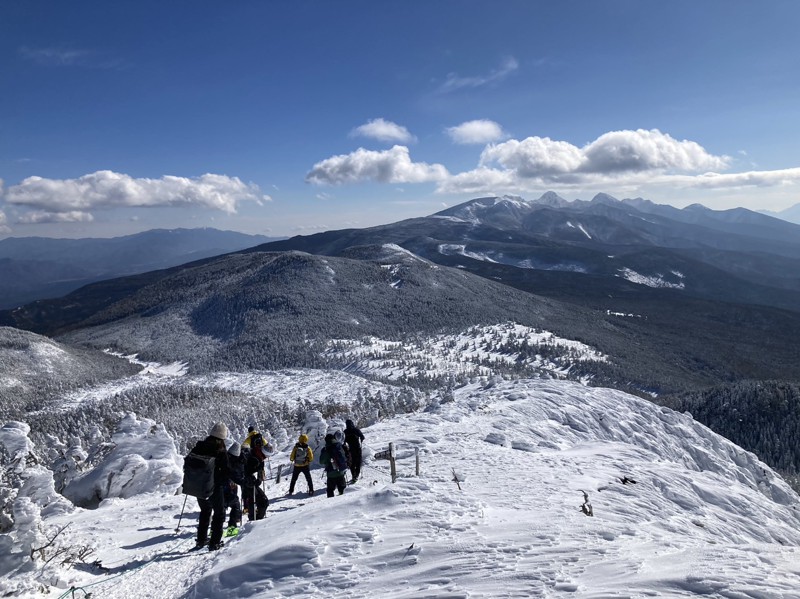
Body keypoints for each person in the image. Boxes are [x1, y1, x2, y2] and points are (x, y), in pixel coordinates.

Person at [191, 422, 230, 551]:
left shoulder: (199, 446)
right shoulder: (220, 450)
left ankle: (201, 540)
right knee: (219, 514)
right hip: (214, 487)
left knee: (205, 511)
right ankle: (215, 543)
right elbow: (226, 471)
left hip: (198, 486)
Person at [241, 445, 269, 520]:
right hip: (250, 482)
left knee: (256, 500)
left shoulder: (256, 454)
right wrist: (258, 480)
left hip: (249, 482)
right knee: (261, 500)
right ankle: (254, 519)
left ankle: (253, 518)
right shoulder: (256, 458)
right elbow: (249, 471)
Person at [224, 441, 245, 534]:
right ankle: (231, 530)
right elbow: (237, 476)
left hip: (219, 488)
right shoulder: (235, 461)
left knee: (220, 510)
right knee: (235, 505)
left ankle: (214, 532)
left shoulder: (224, 457)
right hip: (229, 487)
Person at [320, 432, 347, 498]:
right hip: (341, 471)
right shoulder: (339, 446)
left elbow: (321, 461)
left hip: (331, 473)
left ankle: (330, 505)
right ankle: (344, 503)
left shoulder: (325, 449)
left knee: (330, 490)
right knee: (342, 489)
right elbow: (344, 457)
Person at [344, 419, 365, 483]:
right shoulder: (356, 430)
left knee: (352, 463)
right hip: (357, 448)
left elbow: (343, 441)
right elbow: (362, 437)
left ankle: (354, 475)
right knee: (358, 462)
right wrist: (361, 440)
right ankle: (357, 475)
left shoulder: (345, 431)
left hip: (350, 449)